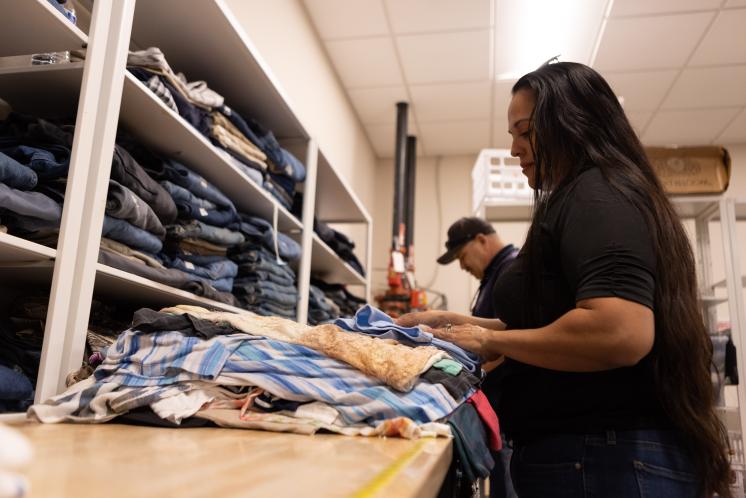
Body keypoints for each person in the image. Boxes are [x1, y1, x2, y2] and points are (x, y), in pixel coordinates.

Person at [398, 61, 732, 498]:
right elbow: (555, 325)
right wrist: (457, 323)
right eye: (512, 135)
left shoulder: (598, 195)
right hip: (597, 459)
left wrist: (494, 342)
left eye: (526, 131)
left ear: (574, 122)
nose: (516, 149)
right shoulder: (589, 196)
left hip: (603, 461)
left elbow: (619, 331)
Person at [437, 216, 519, 498]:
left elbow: (514, 340)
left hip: (509, 414)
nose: (462, 266)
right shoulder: (495, 276)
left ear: (481, 240)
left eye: (461, 256)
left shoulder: (511, 271)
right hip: (499, 413)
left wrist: (468, 375)